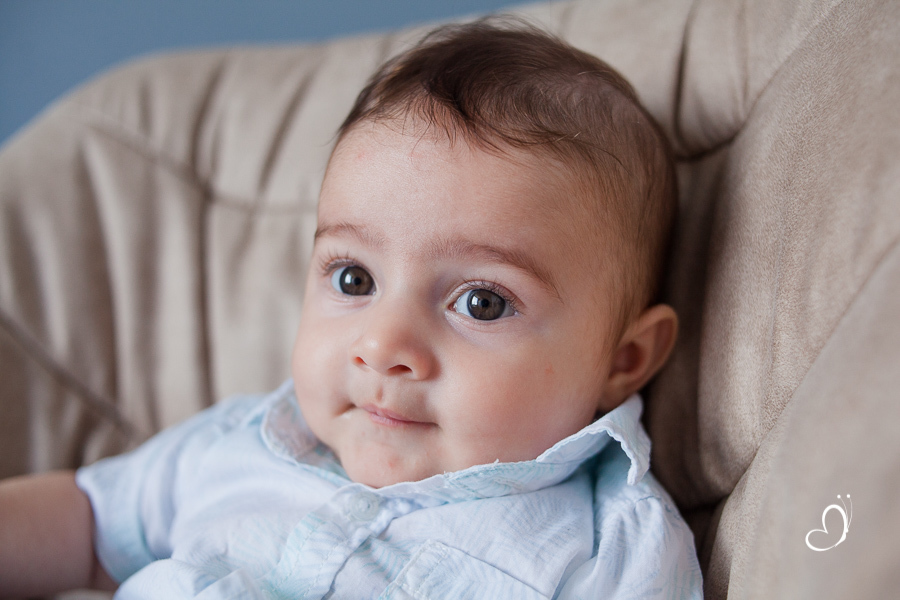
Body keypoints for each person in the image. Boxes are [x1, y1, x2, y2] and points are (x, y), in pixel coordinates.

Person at [0, 20, 702, 599]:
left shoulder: (610, 547)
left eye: (481, 302)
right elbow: (91, 523)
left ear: (624, 359)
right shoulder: (241, 440)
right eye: (354, 277)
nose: (383, 344)